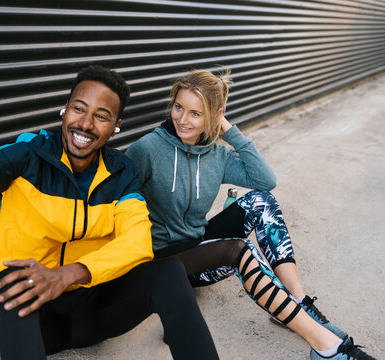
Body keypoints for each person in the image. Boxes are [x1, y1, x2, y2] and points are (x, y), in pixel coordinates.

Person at [0, 65, 219, 359]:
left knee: (169, 272)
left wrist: (66, 275)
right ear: (64, 110)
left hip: (98, 310)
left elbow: (138, 242)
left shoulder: (122, 173)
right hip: (40, 320)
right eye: (79, 109)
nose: (86, 124)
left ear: (116, 127)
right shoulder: (26, 154)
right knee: (12, 280)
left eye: (102, 116)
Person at [125, 69, 376, 360]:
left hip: (199, 249)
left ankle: (297, 301)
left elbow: (265, 179)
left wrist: (230, 132)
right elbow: (115, 196)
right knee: (240, 250)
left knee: (262, 202)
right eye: (179, 107)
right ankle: (326, 348)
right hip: (164, 260)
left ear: (215, 116)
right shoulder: (148, 149)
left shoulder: (216, 155)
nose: (183, 119)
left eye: (196, 113)